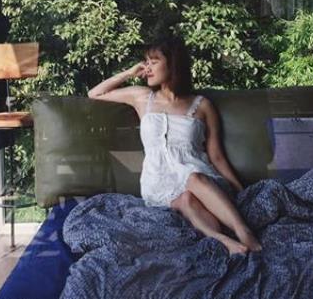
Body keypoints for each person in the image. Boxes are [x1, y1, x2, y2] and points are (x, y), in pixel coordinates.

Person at [88, 35, 262, 255]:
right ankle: (224, 241)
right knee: (185, 199)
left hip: (200, 177)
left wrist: (241, 191)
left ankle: (243, 231)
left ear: (173, 64)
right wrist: (129, 73)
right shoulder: (141, 97)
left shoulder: (202, 105)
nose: (147, 68)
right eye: (146, 62)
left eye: (154, 62)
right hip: (159, 182)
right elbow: (94, 93)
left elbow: (217, 156)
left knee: (193, 179)